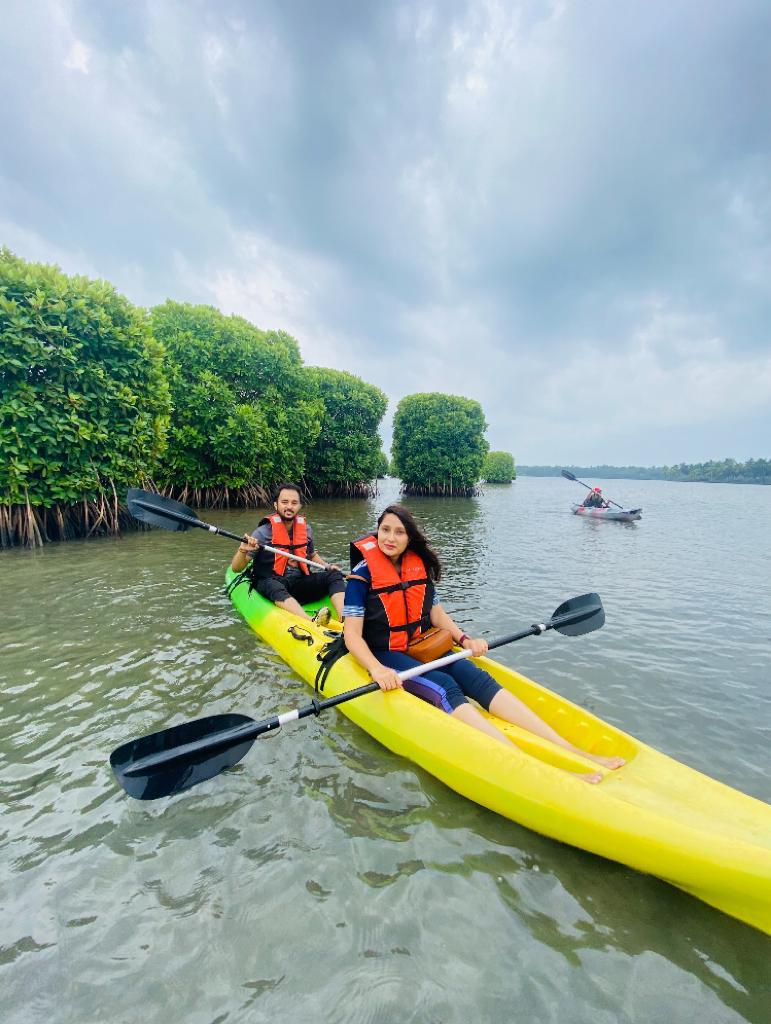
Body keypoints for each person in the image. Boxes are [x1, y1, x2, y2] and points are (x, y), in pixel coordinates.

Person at [342, 504, 625, 784]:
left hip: (420, 645)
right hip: (385, 653)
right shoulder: (362, 575)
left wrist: (465, 639)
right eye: (385, 530)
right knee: (445, 685)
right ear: (377, 531)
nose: (390, 538)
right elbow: (352, 635)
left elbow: (437, 615)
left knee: (475, 676)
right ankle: (538, 769)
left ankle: (575, 752)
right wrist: (377, 669)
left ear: (409, 537)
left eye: (399, 532)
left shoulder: (417, 566)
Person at [231, 482, 345, 624]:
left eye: (294, 503)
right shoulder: (262, 533)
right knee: (274, 585)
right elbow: (236, 568)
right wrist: (242, 550)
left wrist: (327, 566)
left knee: (335, 575)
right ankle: (310, 622)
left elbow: (311, 555)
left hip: (298, 584)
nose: (289, 506)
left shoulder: (306, 530)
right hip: (271, 582)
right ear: (276, 505)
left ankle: (344, 619)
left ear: (300, 506)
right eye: (284, 502)